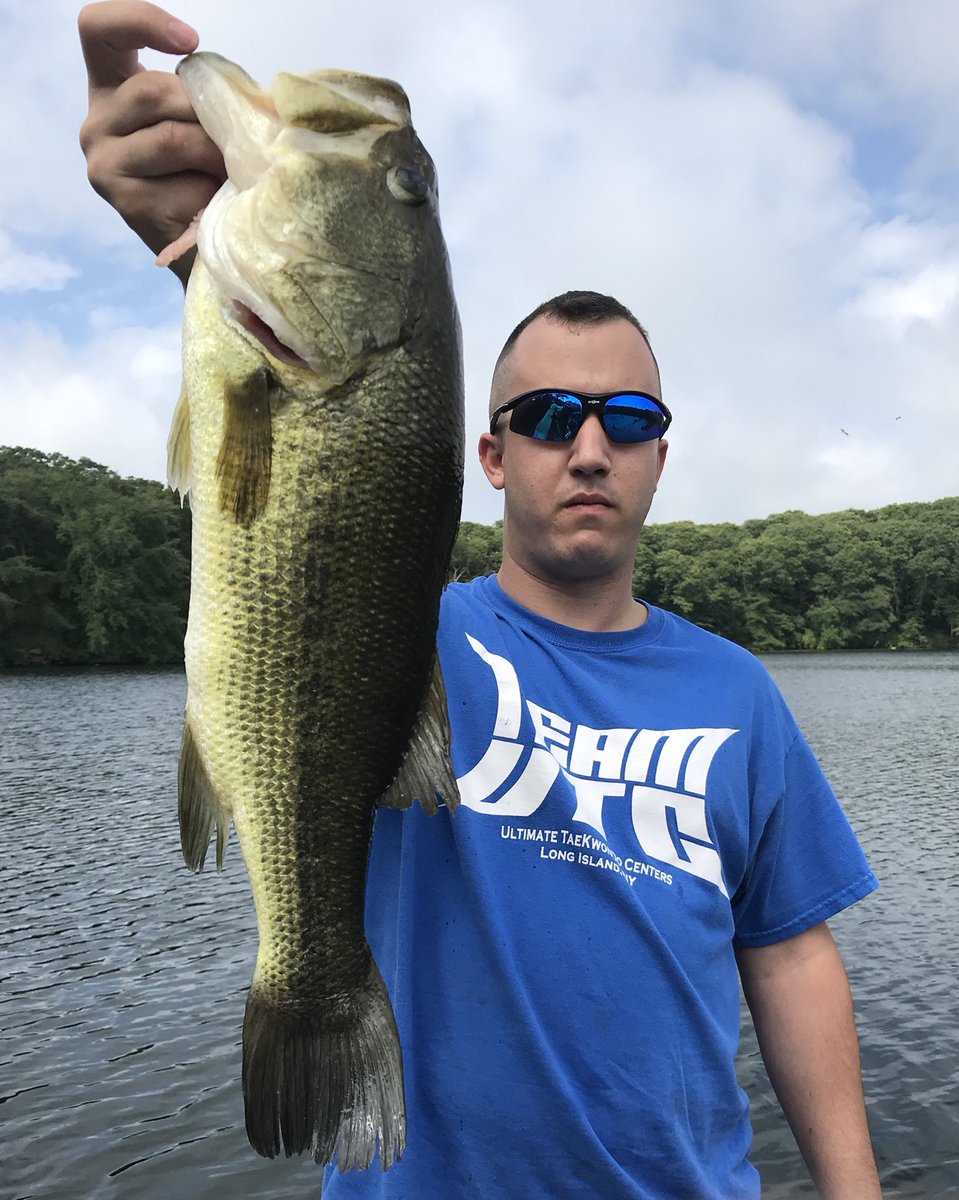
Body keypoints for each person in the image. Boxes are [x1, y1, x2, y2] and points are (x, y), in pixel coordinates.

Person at [78, 5, 884, 1197]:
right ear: (493, 457)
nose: (590, 448)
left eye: (628, 420)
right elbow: (308, 475)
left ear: (660, 457)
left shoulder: (738, 692)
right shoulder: (412, 632)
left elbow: (789, 954)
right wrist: (197, 245)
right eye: (548, 417)